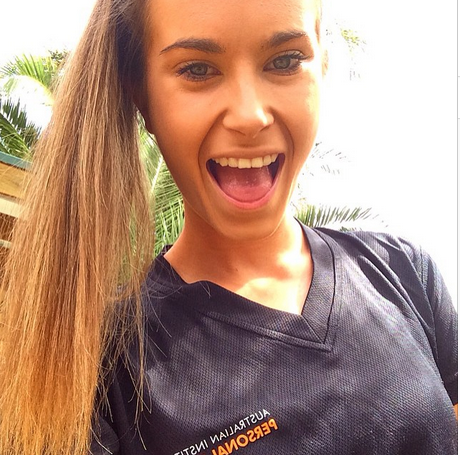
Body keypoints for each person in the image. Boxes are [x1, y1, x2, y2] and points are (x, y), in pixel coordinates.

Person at [0, 0, 456, 454]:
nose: (250, 115)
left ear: (322, 63)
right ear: (142, 95)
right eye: (198, 69)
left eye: (285, 61)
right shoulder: (101, 366)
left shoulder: (403, 272)